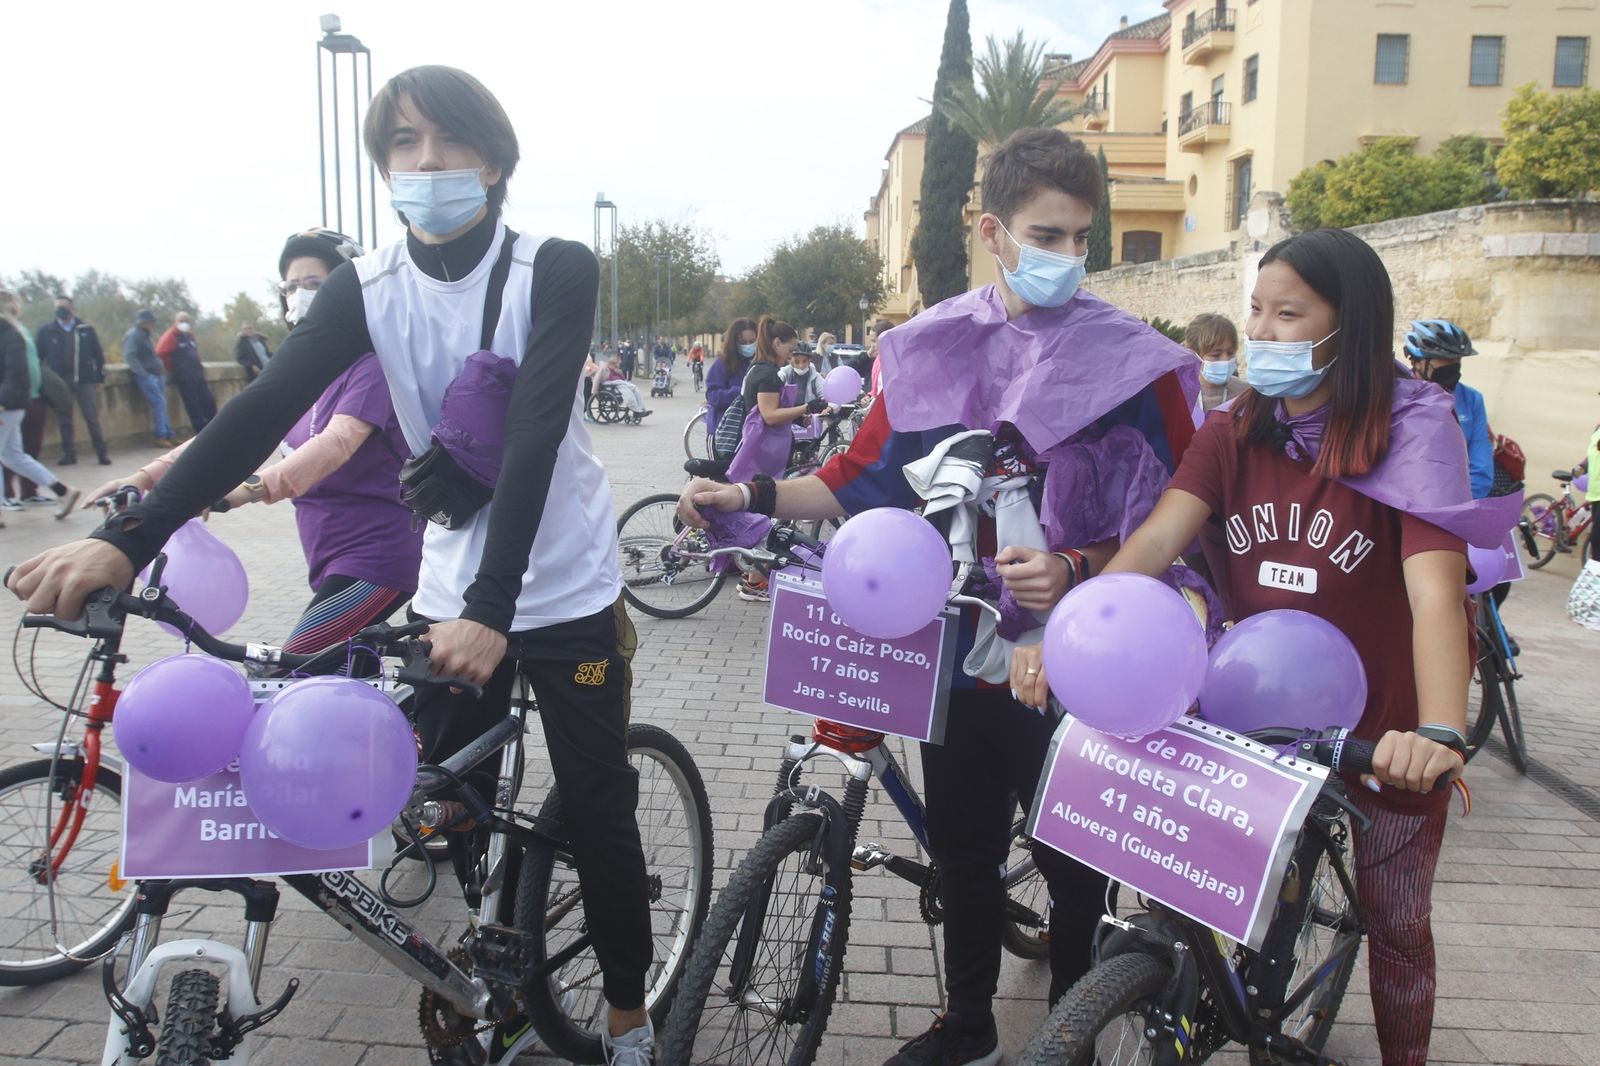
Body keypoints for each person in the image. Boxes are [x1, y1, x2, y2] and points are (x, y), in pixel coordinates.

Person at [10, 64, 655, 1066]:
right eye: (402, 145)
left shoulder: (553, 268)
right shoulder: (370, 287)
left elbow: (531, 438)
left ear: (497, 161)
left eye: (449, 143)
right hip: (446, 586)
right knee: (441, 794)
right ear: (382, 165)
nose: (427, 163)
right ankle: (496, 961)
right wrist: (126, 540)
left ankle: (628, 1024)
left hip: (561, 582)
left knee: (600, 807)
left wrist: (496, 606)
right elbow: (259, 415)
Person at [680, 126, 1202, 1066]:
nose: (1067, 257)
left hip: (1084, 657)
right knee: (963, 846)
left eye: (1083, 237)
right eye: (1048, 235)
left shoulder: (1134, 365)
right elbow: (853, 477)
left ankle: (1066, 1036)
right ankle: (968, 1024)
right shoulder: (929, 351)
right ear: (994, 232)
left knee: (1072, 859)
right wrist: (747, 493)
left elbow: (1177, 513)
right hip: (957, 654)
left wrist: (1080, 567)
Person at [1014, 227, 1521, 1066]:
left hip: (1382, 730)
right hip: (1246, 704)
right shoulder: (1232, 431)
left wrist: (1437, 732)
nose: (1263, 332)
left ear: (1347, 327)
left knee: (1396, 925)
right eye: (1257, 310)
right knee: (1205, 900)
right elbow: (1150, 546)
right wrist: (1064, 633)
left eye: (1289, 314)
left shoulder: (1412, 427)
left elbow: (1435, 592)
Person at [87, 229, 421, 667]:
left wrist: (243, 490)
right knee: (339, 674)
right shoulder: (305, 370)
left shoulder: (371, 362)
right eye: (290, 286)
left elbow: (336, 443)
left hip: (379, 556)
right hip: (329, 553)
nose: (298, 295)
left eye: (314, 284)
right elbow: (232, 431)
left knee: (290, 668)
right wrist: (144, 476)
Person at [725, 315, 827, 604]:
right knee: (763, 515)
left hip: (759, 452)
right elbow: (769, 415)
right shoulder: (768, 374)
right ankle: (755, 582)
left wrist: (796, 411)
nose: (792, 354)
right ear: (776, 342)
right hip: (763, 456)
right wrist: (806, 407)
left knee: (760, 515)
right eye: (789, 347)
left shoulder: (759, 368)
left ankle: (754, 577)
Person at [0, 291, 80, 519]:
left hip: (7, 405)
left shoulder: (8, 334)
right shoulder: (17, 333)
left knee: (11, 455)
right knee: (14, 456)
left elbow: (15, 372)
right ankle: (62, 491)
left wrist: (2, 403)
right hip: (14, 404)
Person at [1404, 319, 1493, 500]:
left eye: (1456, 359)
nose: (1452, 366)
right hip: (1405, 505)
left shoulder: (1472, 400)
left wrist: (1460, 511)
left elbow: (1481, 466)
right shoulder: (1394, 396)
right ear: (1418, 361)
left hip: (1456, 505)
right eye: (1444, 359)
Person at [35, 295, 110, 466]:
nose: (61, 310)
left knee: (91, 417)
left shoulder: (85, 329)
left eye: (64, 307)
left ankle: (102, 453)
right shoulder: (46, 332)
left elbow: (98, 356)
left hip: (84, 379)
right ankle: (69, 454)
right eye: (58, 307)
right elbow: (38, 359)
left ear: (72, 308)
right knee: (65, 419)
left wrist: (100, 377)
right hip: (60, 382)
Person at [155, 311, 218, 433]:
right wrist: (173, 367)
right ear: (176, 322)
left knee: (208, 400)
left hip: (197, 373)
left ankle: (214, 426)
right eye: (182, 321)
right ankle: (200, 430)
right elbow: (160, 353)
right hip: (184, 374)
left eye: (187, 321)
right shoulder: (170, 336)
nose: (184, 324)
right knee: (193, 404)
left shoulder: (189, 335)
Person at [123, 309, 176, 446]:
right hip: (146, 375)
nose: (152, 324)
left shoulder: (145, 334)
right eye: (150, 321)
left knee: (162, 403)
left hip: (156, 374)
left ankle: (168, 433)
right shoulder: (134, 335)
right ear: (143, 322)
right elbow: (130, 356)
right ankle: (161, 435)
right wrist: (143, 374)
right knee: (159, 403)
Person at [705, 316, 756, 437]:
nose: (748, 346)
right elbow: (712, 396)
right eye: (743, 342)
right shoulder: (722, 363)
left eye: (752, 341)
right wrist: (741, 392)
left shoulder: (761, 363)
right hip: (727, 433)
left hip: (753, 431)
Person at [1185, 311, 1244, 412]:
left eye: (1230, 353)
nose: (1225, 360)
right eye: (1215, 355)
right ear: (1194, 355)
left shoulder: (1245, 394)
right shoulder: (1181, 395)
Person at [602, 352, 652, 422]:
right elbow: (607, 378)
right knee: (628, 391)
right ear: (612, 363)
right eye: (617, 364)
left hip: (619, 383)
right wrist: (613, 371)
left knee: (635, 390)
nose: (618, 366)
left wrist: (620, 373)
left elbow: (623, 378)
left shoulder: (617, 370)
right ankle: (636, 410)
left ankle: (641, 408)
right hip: (613, 384)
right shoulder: (606, 369)